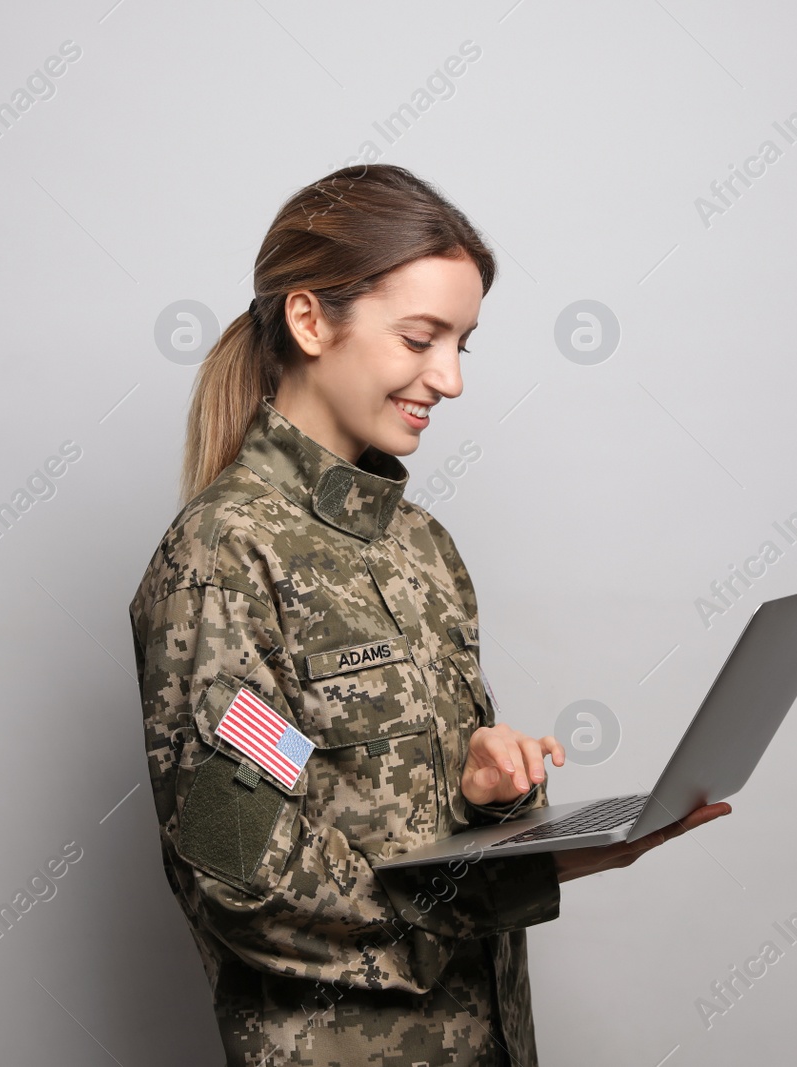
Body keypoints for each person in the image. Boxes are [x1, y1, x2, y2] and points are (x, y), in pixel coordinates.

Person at [129, 164, 730, 1067]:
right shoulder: (227, 557)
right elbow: (241, 867)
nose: (448, 379)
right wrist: (485, 894)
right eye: (420, 338)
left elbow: (403, 826)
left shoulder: (422, 548)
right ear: (309, 319)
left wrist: (497, 798)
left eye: (464, 344)